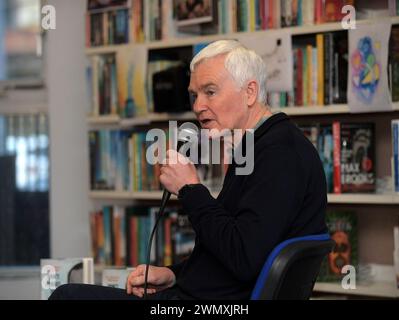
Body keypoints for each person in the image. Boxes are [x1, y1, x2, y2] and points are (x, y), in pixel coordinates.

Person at [49, 40, 327, 300]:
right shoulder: (256, 145)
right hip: (193, 296)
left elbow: (244, 258)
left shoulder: (280, 154)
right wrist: (173, 274)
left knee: (68, 296)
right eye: (194, 95)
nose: (197, 106)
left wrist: (190, 188)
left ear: (250, 92)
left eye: (210, 91)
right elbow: (227, 250)